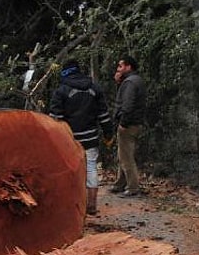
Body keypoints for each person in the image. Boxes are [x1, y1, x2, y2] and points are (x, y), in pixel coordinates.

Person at [48, 59, 113, 215]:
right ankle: (91, 204)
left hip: (68, 140)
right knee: (90, 167)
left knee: (68, 170)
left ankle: (70, 205)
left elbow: (55, 118)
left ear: (65, 72)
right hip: (90, 138)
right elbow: (103, 115)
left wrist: (52, 140)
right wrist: (108, 133)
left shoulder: (61, 91)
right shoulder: (94, 89)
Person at [110, 55, 146, 196]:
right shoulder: (133, 81)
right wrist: (119, 83)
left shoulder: (130, 83)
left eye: (120, 66)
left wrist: (123, 123)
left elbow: (128, 105)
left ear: (128, 67)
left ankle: (133, 187)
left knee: (126, 157)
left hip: (129, 124)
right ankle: (120, 183)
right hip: (134, 123)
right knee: (123, 154)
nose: (118, 69)